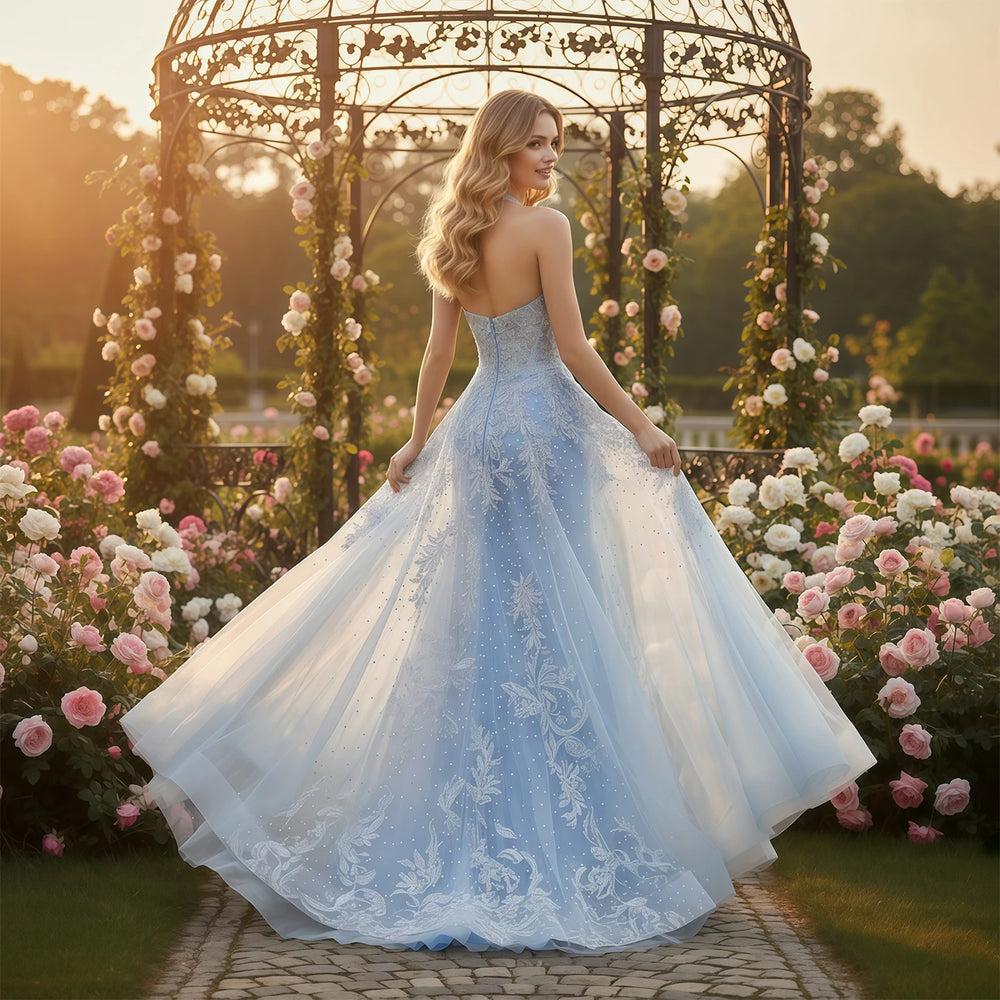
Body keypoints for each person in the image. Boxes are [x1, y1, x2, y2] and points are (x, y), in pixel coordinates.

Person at [121, 89, 876, 954]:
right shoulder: (545, 231)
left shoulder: (454, 232)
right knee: (558, 619)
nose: (554, 158)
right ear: (505, 150)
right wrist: (642, 426)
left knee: (483, 622)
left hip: (478, 437)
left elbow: (440, 354)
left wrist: (413, 443)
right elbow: (573, 348)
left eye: (558, 144)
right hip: (547, 436)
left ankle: (465, 818)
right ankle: (564, 824)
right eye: (541, 146)